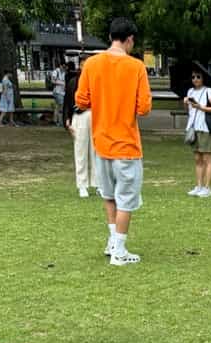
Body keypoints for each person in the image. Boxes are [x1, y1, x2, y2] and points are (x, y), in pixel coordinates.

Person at [75, 16, 153, 266]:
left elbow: (81, 100)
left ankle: (112, 242)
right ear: (130, 39)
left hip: (101, 143)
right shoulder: (136, 67)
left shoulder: (91, 64)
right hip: (126, 145)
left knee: (109, 195)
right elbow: (144, 108)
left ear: (110, 37)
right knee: (126, 200)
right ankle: (119, 250)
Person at [183, 69, 211, 198]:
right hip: (193, 128)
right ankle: (198, 186)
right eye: (193, 77)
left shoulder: (208, 91)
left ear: (203, 78)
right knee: (197, 159)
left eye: (198, 76)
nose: (195, 79)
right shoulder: (190, 92)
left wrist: (201, 107)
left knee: (206, 158)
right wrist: (185, 103)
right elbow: (188, 111)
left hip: (205, 128)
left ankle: (207, 188)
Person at [63, 60, 97, 199]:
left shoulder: (96, 81)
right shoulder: (73, 82)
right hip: (79, 116)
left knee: (96, 152)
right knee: (80, 151)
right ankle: (82, 185)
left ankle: (98, 184)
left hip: (95, 115)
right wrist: (67, 120)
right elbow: (67, 101)